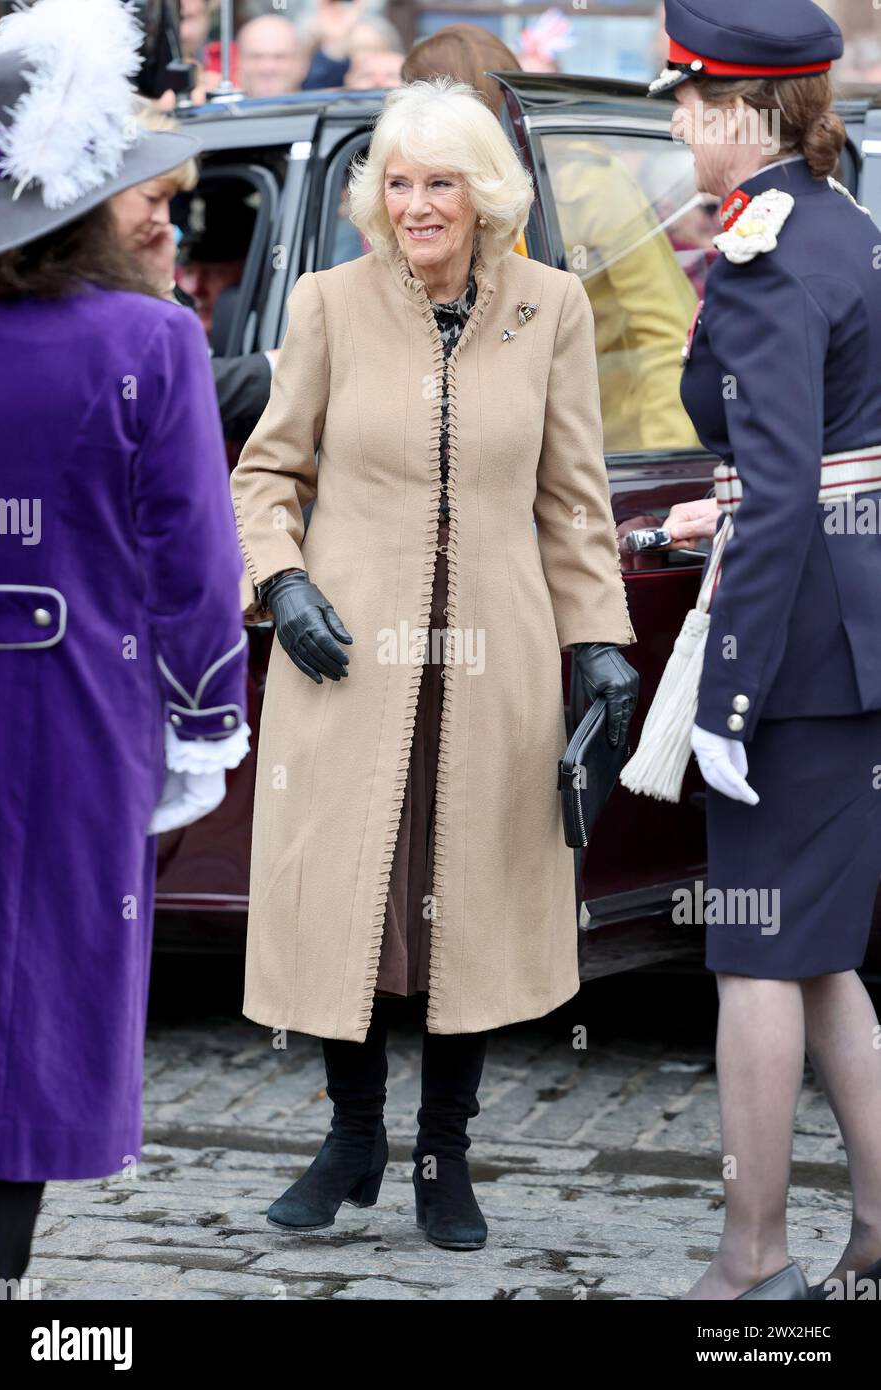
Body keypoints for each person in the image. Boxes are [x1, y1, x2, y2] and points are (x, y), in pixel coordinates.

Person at [230, 76, 638, 1251]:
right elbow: (267, 477)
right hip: (348, 659)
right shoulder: (326, 305)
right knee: (342, 901)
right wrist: (284, 580)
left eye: (439, 183)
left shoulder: (551, 307)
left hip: (492, 664)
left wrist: (599, 641)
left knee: (473, 910)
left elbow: (574, 501)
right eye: (398, 183)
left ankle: (442, 1156)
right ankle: (349, 1136)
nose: (415, 205)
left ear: (485, 196)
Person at [0, 0, 249, 1283]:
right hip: (71, 726)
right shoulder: (152, 339)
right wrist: (207, 721)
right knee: (33, 1007)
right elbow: (193, 565)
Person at [649, 0, 881, 1301]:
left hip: (792, 654)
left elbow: (786, 487)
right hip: (853, 632)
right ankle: (877, 1228)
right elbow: (822, 461)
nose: (679, 122)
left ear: (743, 107)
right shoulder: (847, 227)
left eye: (687, 99)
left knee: (753, 949)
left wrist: (725, 695)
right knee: (824, 946)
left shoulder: (765, 255)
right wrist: (724, 496)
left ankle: (752, 1260)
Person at [403, 23, 699, 452]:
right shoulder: (430, 202)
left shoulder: (587, 182)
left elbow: (667, 331)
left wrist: (657, 464)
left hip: (607, 447)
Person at [110, 111, 277, 441]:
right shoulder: (74, 285)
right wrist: (271, 368)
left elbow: (176, 366)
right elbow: (146, 393)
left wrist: (160, 284)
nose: (162, 219)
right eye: (152, 199)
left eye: (168, 201)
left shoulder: (142, 274)